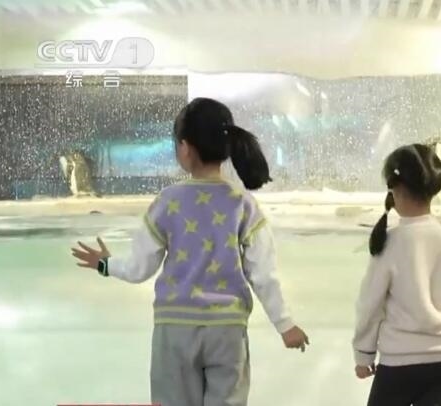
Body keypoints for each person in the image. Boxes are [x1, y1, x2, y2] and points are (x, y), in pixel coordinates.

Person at [71, 97, 309, 406]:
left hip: (174, 329)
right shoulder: (243, 204)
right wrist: (285, 325)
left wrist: (106, 264)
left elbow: (139, 268)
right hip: (227, 330)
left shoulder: (168, 201)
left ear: (184, 147)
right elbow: (263, 274)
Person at [354, 144, 441, 406]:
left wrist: (364, 354)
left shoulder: (390, 242)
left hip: (399, 361)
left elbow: (370, 304)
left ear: (394, 188)